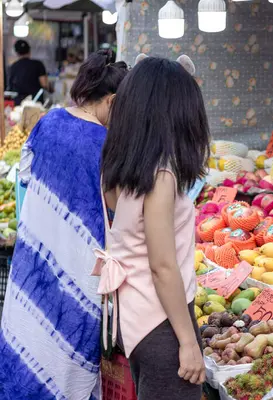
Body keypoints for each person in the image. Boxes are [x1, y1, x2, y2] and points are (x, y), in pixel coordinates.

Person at [0, 49, 128, 400]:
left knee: (25, 345)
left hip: (33, 264)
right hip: (79, 272)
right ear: (113, 100)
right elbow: (118, 211)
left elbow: (23, 178)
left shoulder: (47, 122)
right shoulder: (109, 144)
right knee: (68, 364)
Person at [98, 54, 209, 399]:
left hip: (135, 317)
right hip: (162, 322)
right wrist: (188, 341)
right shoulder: (161, 175)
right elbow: (162, 266)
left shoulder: (118, 167)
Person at [8, 40, 48, 105]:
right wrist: (50, 88)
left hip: (18, 103)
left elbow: (10, 86)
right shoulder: (38, 64)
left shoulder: (13, 66)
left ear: (16, 53)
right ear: (29, 51)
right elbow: (44, 84)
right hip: (35, 102)